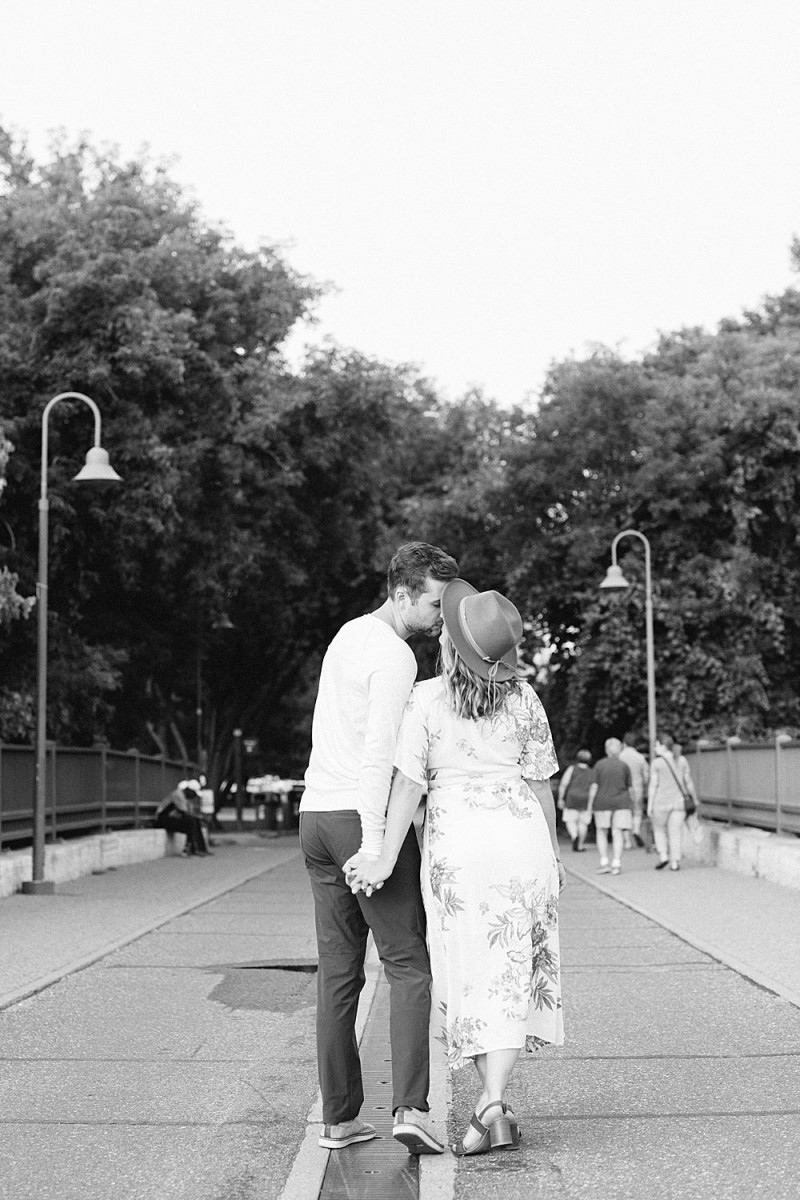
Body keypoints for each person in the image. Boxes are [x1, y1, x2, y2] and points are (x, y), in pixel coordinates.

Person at [346, 580, 564, 1157]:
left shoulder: (426, 699)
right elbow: (541, 785)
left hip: (458, 849)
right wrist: (555, 854)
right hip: (521, 840)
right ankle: (493, 1100)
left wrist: (384, 856)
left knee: (469, 974)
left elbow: (408, 790)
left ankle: (490, 1105)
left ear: (451, 645)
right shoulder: (525, 700)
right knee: (514, 972)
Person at [299, 542, 458, 1154]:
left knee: (339, 975)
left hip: (315, 815)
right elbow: (379, 759)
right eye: (435, 603)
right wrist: (378, 847)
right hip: (354, 820)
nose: (443, 615)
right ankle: (411, 1110)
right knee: (409, 965)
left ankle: (339, 1121)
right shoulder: (395, 658)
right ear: (401, 595)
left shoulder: (347, 634)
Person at [587, 738, 633, 876]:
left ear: (606, 749)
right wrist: (633, 805)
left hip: (602, 803)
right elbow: (630, 788)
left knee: (602, 832)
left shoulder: (599, 765)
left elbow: (594, 786)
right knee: (617, 832)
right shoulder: (624, 766)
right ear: (619, 749)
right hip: (621, 803)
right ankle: (616, 863)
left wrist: (590, 805)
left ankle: (604, 862)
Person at [648, 733, 693, 871]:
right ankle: (675, 862)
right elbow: (688, 781)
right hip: (679, 803)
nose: (655, 748)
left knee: (659, 829)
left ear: (663, 746)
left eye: (656, 745)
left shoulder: (657, 763)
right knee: (675, 832)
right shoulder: (682, 760)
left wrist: (650, 804)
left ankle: (663, 855)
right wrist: (693, 799)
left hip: (660, 803)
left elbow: (653, 784)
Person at [154, 780, 211, 856]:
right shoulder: (178, 795)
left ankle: (201, 848)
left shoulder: (184, 797)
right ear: (189, 790)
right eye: (194, 794)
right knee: (190, 822)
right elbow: (184, 813)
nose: (194, 796)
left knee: (194, 821)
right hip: (162, 819)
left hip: (170, 818)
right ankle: (189, 848)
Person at [557, 749, 594, 852]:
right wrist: (591, 804)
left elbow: (564, 784)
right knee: (583, 823)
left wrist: (561, 798)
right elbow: (593, 788)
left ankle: (574, 836)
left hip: (572, 798)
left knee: (570, 820)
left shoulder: (572, 769)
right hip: (585, 799)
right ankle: (580, 845)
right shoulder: (591, 772)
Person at [618, 732, 649, 848]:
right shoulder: (640, 757)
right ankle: (636, 830)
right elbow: (646, 775)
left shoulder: (620, 756)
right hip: (637, 788)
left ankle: (627, 841)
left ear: (624, 743)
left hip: (623, 789)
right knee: (637, 811)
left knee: (625, 814)